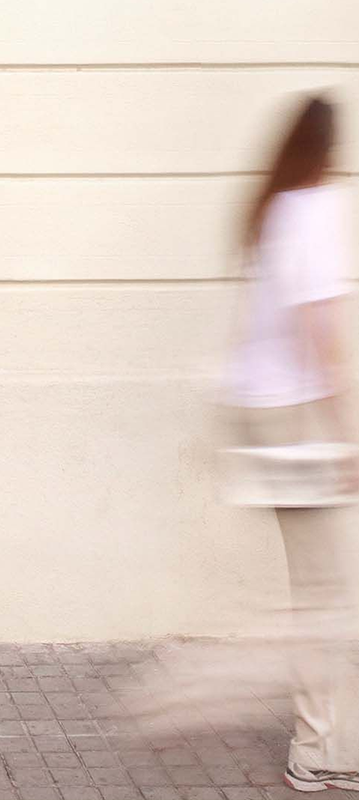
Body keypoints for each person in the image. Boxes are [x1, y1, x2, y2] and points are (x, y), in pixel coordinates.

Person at [224, 95, 359, 792]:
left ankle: (326, 742)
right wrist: (344, 432)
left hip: (260, 408)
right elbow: (320, 326)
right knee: (325, 595)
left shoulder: (274, 206)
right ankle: (318, 752)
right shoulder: (318, 208)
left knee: (321, 590)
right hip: (298, 413)